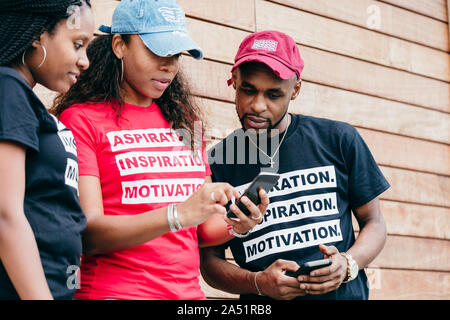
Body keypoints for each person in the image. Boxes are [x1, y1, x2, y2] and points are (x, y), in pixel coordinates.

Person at [51, 0, 266, 300]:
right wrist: (176, 214)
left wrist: (239, 224)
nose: (169, 65)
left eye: (175, 54)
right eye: (157, 51)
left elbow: (201, 230)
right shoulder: (81, 120)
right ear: (119, 45)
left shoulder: (187, 122)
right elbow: (90, 234)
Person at [200, 30, 390, 300]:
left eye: (274, 94)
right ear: (233, 81)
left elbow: (375, 222)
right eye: (248, 89)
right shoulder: (218, 162)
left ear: (296, 89)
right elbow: (209, 263)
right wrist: (258, 282)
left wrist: (348, 264)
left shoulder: (338, 139)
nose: (257, 105)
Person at [0, 0, 94, 300]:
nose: (85, 61)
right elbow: (5, 213)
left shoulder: (21, 97)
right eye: (77, 44)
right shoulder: (8, 87)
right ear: (38, 35)